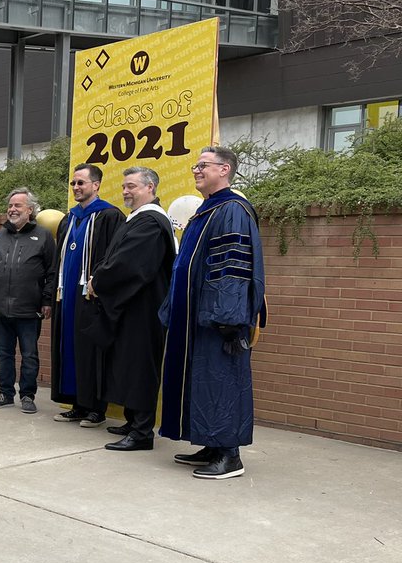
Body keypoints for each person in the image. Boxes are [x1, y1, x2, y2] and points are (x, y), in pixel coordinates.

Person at [160, 145, 266, 479]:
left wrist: (228, 317)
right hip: (196, 316)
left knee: (221, 381)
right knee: (202, 381)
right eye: (195, 165)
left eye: (203, 165)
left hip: (218, 318)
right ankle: (211, 442)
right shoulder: (206, 210)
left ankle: (230, 455)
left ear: (225, 169)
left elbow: (231, 266)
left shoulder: (232, 210)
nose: (196, 170)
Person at [84, 166, 176, 452]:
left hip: (144, 309)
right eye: (124, 186)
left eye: (132, 186)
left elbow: (129, 264)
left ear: (150, 188)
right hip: (132, 306)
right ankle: (133, 421)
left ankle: (142, 432)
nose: (125, 191)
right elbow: (114, 256)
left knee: (140, 367)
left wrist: (98, 281)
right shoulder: (136, 219)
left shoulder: (151, 222)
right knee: (127, 364)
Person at [51, 164, 124, 428]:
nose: (76, 187)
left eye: (81, 183)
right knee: (70, 348)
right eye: (73, 183)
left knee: (91, 351)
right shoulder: (68, 219)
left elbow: (115, 257)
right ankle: (76, 404)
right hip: (67, 298)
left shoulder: (109, 216)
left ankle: (96, 408)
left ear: (96, 185)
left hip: (92, 298)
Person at [0, 187, 56, 414]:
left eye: (18, 205)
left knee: (29, 355)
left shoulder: (43, 236)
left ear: (30, 210)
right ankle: (5, 394)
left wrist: (47, 300)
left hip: (29, 309)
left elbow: (52, 272)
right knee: (4, 355)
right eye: (10, 205)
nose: (12, 209)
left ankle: (27, 396)